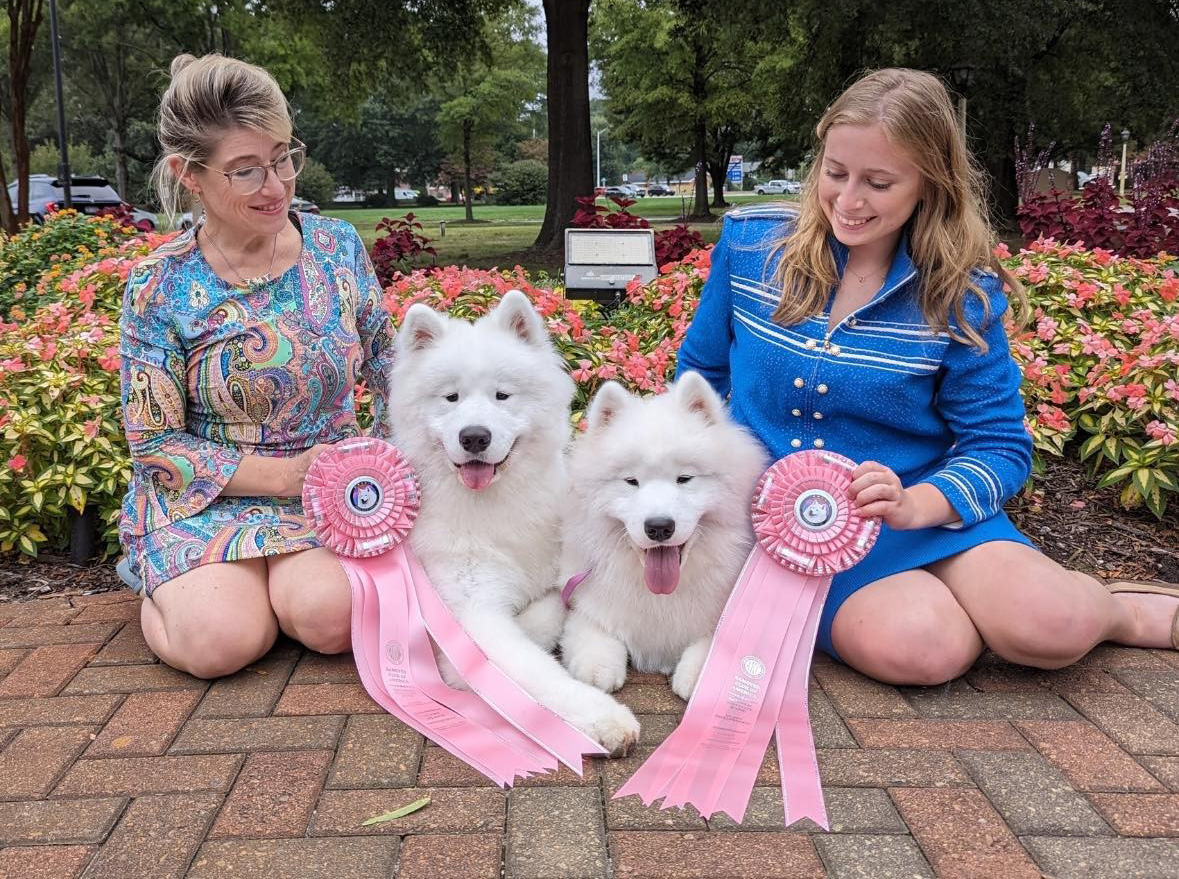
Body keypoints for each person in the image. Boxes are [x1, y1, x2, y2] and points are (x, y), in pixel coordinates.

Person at [676, 68, 1178, 685]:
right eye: (835, 172)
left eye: (879, 183)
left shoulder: (961, 292)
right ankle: (958, 611)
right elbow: (701, 376)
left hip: (926, 511)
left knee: (1054, 626)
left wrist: (917, 504)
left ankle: (1120, 612)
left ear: (928, 185)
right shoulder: (753, 247)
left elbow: (998, 446)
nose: (848, 200)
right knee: (921, 650)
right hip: (792, 533)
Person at [118, 54, 394, 679]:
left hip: (330, 489)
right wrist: (281, 476)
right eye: (245, 171)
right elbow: (154, 445)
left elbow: (390, 369)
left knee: (329, 622)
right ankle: (156, 574)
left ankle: (269, 589)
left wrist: (384, 467)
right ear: (187, 174)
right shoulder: (158, 286)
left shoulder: (338, 247)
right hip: (208, 494)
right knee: (220, 645)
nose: (276, 186)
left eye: (283, 157)